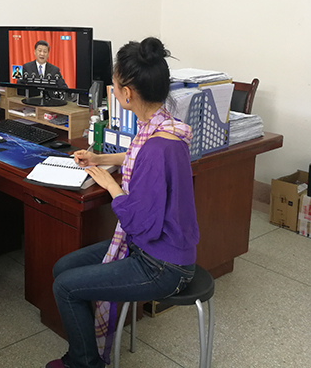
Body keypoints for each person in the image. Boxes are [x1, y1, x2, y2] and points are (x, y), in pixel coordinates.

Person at [46, 38, 199, 368]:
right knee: (63, 269)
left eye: (114, 87)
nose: (113, 93)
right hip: (152, 247)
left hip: (161, 264)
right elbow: (135, 155)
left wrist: (109, 183)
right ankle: (86, 350)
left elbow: (139, 222)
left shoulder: (159, 147)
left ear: (127, 93)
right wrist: (99, 158)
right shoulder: (162, 126)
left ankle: (84, 362)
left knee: (65, 287)